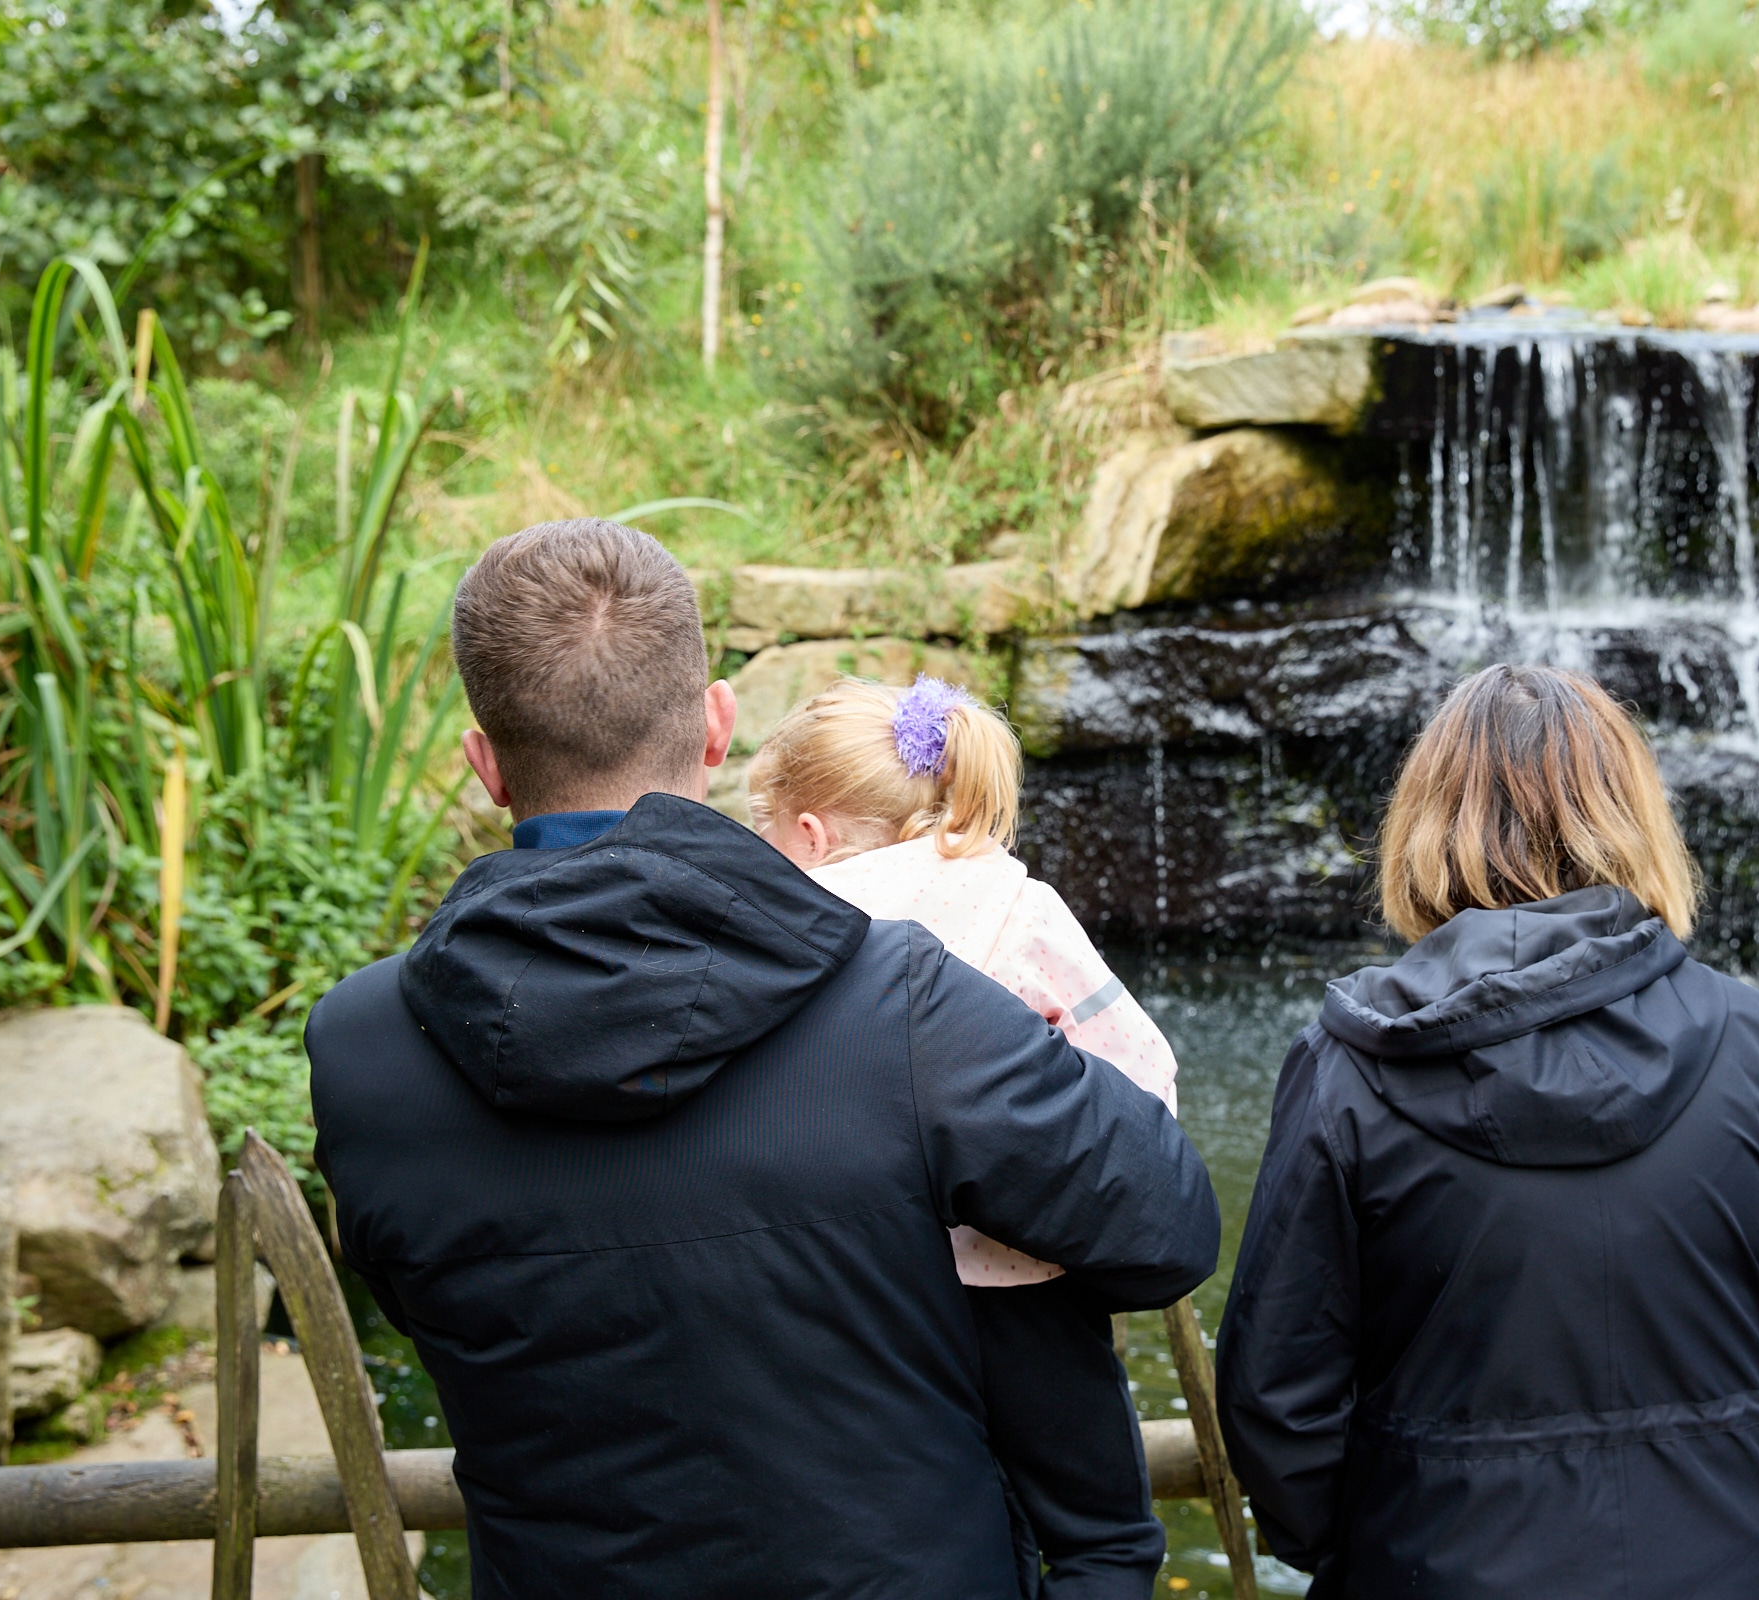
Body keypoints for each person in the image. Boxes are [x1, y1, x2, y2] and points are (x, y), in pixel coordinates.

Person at [306, 520, 1220, 1600]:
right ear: (715, 726)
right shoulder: (906, 1004)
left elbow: (434, 1301)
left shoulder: (361, 1050)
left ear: (486, 761)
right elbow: (1169, 1230)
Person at [1214, 663, 1759, 1599]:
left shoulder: (1348, 1074)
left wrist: (1383, 1541)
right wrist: (1738, 1506)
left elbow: (1277, 1402)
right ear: (1634, 817)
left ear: (1425, 820)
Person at [747, 674, 1180, 1600]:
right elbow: (1144, 1078)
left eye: (767, 830)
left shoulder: (782, 936)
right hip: (1023, 1290)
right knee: (1104, 1538)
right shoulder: (1014, 906)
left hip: (864, 1301)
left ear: (812, 833)